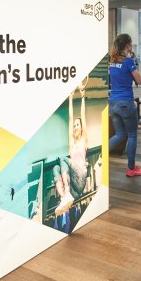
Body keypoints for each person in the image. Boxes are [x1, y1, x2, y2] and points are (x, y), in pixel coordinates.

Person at [109, 34, 141, 177]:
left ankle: (101, 155)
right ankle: (131, 168)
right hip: (125, 102)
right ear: (127, 45)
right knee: (132, 135)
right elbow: (139, 80)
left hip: (113, 102)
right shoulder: (128, 61)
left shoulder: (112, 62)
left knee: (119, 134)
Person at [53, 83, 89, 215]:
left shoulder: (84, 140)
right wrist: (70, 98)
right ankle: (64, 197)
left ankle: (66, 194)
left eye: (77, 125)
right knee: (56, 169)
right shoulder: (71, 143)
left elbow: (82, 117)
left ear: (81, 127)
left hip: (81, 176)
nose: (75, 127)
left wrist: (82, 96)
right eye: (74, 126)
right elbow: (70, 118)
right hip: (75, 185)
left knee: (63, 159)